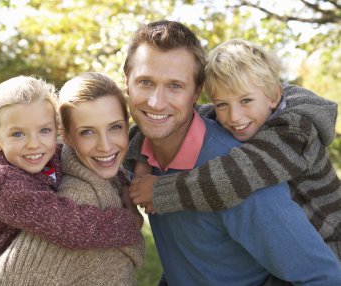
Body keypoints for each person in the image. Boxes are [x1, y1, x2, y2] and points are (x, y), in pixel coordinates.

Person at [123, 20, 341, 285]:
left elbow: (323, 277)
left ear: (195, 92)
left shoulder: (261, 162)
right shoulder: (154, 140)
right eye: (145, 82)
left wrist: (160, 190)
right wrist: (136, 169)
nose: (157, 102)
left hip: (330, 237)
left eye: (175, 86)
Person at [0, 75, 141, 286]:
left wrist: (125, 185)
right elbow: (69, 226)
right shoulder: (2, 187)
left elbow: (87, 161)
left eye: (44, 130)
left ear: (57, 131)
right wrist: (129, 223)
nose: (34, 144)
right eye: (18, 134)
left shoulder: (46, 153)